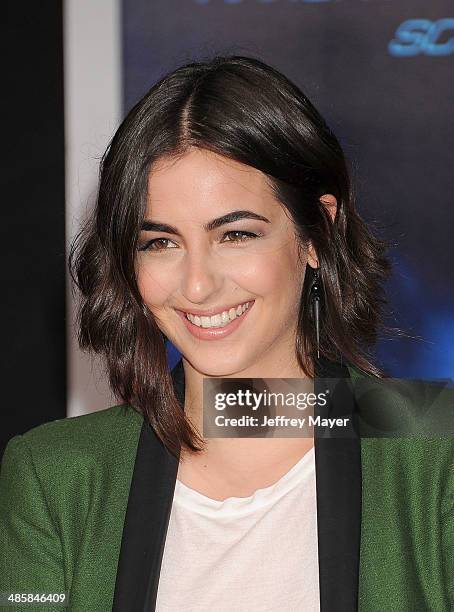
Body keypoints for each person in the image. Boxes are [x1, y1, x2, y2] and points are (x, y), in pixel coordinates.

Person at [1, 55, 453, 612]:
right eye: (160, 242)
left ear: (316, 233)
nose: (196, 285)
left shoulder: (436, 450)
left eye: (235, 235)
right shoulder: (54, 476)